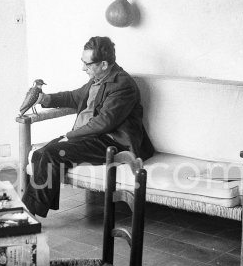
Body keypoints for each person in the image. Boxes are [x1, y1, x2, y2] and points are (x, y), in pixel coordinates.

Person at [22, 36, 155, 217]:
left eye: (88, 64)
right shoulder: (97, 78)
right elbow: (75, 96)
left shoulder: (123, 85)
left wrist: (70, 135)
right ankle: (34, 210)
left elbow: (104, 122)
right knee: (39, 153)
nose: (83, 68)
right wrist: (47, 99)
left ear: (104, 64)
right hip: (91, 138)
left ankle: (28, 215)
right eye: (82, 62)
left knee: (51, 154)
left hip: (113, 142)